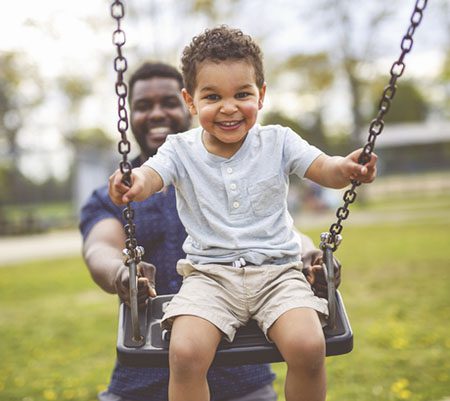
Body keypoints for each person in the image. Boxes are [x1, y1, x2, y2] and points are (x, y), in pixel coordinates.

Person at [109, 27, 376, 401]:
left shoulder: (279, 141)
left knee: (308, 345)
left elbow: (323, 168)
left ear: (261, 95)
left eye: (243, 94)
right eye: (213, 96)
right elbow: (151, 175)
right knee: (184, 353)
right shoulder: (179, 149)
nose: (229, 106)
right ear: (191, 101)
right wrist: (133, 181)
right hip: (209, 278)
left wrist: (345, 169)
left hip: (279, 273)